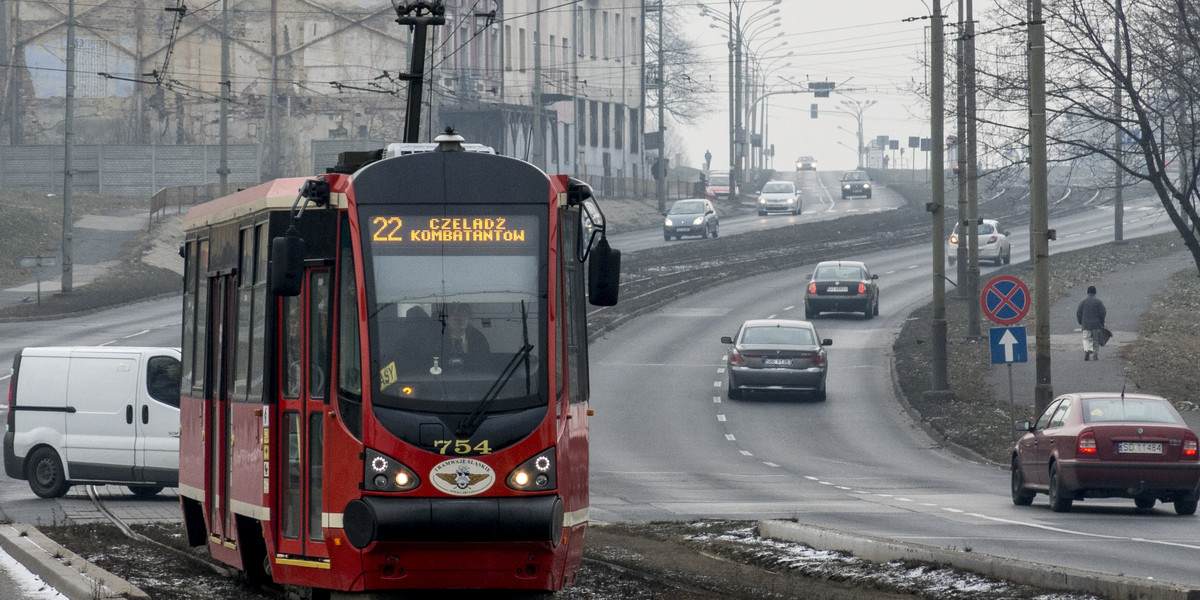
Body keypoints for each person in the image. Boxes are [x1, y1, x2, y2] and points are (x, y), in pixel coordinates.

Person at [1076, 285, 1107, 361]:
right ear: (1095, 292)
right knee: (1096, 340)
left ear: (1088, 292)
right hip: (1096, 324)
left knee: (1086, 338)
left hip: (1086, 324)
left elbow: (1079, 313)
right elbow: (1103, 312)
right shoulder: (1099, 302)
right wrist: (1102, 322)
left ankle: (1087, 350)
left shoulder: (1083, 302)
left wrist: (1080, 321)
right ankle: (1095, 355)